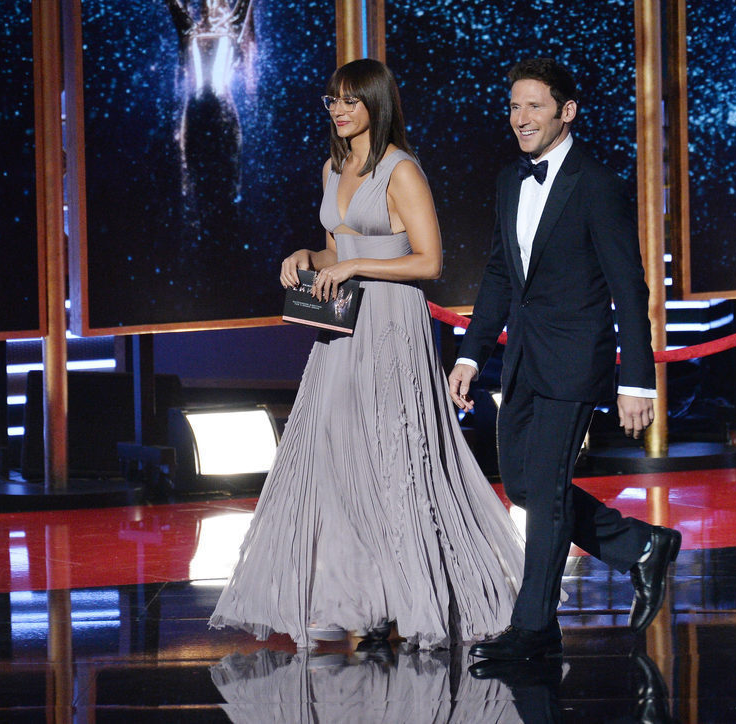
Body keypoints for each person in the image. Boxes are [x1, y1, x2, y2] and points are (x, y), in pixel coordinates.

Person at [209, 58, 529, 651]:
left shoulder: (401, 170)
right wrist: (308, 255)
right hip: (339, 331)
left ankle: (420, 597)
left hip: (392, 328)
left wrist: (355, 263)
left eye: (351, 101)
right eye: (332, 100)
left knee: (394, 461)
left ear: (376, 104)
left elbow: (428, 262)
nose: (338, 110)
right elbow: (339, 250)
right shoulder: (335, 167)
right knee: (332, 456)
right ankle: (350, 597)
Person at [448, 58, 682, 661]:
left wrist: (639, 382)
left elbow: (630, 287)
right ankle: (640, 548)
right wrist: (471, 357)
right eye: (514, 107)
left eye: (534, 107)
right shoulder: (508, 180)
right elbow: (500, 273)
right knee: (526, 486)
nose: (521, 119)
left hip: (576, 360)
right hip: (522, 360)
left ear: (566, 111)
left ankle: (533, 628)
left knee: (546, 492)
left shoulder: (596, 183)